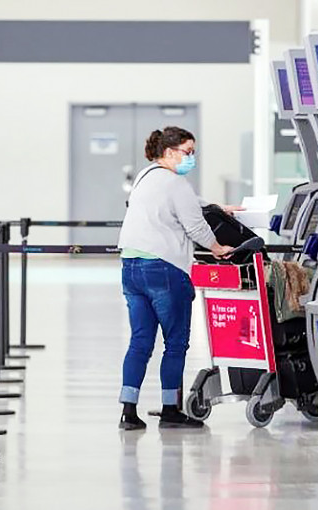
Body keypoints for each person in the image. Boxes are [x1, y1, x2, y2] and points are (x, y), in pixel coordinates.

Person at [117, 126, 237, 430]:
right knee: (175, 343)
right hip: (163, 269)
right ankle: (170, 409)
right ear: (170, 152)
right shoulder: (175, 182)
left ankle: (128, 412)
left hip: (131, 266)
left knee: (140, 341)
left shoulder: (146, 176)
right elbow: (196, 227)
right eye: (188, 152)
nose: (191, 158)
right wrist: (218, 247)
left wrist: (217, 207)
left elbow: (184, 203)